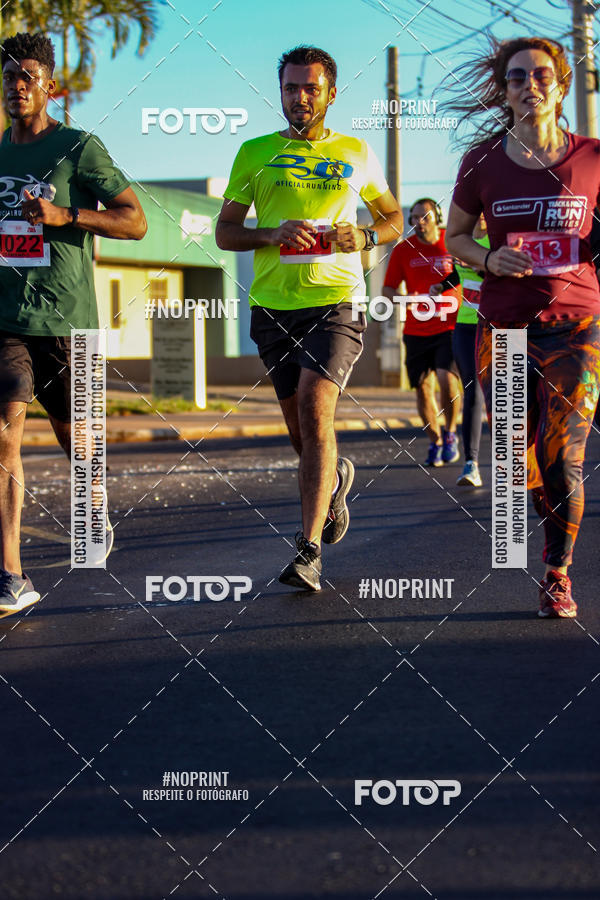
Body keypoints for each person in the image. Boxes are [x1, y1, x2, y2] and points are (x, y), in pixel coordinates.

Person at [216, 45, 402, 592]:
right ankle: (336, 479)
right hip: (273, 305)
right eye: (291, 88)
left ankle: (308, 551)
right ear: (280, 92)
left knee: (316, 409)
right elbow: (225, 232)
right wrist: (270, 234)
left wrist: (363, 235)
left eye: (311, 88)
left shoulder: (355, 151)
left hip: (337, 300)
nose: (300, 97)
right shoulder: (254, 152)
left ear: (331, 93)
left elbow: (393, 218)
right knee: (302, 432)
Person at [445, 36, 600, 618]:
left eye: (540, 75)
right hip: (504, 325)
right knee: (518, 461)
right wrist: (489, 258)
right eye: (516, 77)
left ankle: (557, 573)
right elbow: (455, 237)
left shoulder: (593, 157)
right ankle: (544, 506)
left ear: (561, 86)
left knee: (564, 456)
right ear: (504, 90)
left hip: (576, 325)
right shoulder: (482, 161)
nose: (529, 85)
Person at [0, 33, 147, 616]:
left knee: (76, 438)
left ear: (50, 86)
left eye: (27, 77)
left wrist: (66, 215)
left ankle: (94, 503)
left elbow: (134, 222)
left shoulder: (78, 148)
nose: (16, 87)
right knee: (4, 431)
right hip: (7, 320)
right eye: (8, 77)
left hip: (70, 321)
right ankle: (11, 574)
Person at [382, 198, 461, 467]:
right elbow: (388, 289)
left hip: (449, 326)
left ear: (437, 217)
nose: (419, 222)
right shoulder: (403, 250)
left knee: (447, 379)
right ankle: (435, 441)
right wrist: (403, 300)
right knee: (422, 389)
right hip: (416, 329)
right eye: (414, 218)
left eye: (425, 217)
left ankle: (451, 432)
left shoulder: (453, 243)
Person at [431, 214, 489, 486]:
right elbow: (458, 273)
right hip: (466, 325)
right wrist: (442, 285)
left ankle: (516, 462)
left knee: (504, 393)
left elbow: (508, 276)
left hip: (497, 325)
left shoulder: (499, 240)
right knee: (472, 391)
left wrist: (479, 266)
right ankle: (471, 464)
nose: (481, 214)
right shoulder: (461, 240)